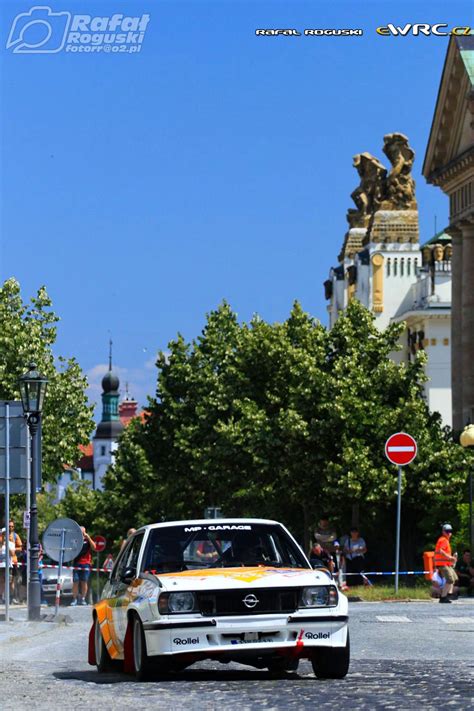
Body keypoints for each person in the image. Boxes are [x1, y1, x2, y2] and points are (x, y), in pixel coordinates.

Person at [70, 526, 96, 606]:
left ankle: (83, 599)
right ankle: (74, 599)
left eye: (83, 532)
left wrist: (88, 537)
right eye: (80, 532)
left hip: (86, 563)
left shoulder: (87, 540)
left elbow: (94, 547)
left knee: (84, 582)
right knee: (75, 581)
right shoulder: (75, 540)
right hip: (76, 563)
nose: (82, 534)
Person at [434, 523, 458, 603]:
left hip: (446, 564)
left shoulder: (445, 540)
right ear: (443, 532)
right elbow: (441, 551)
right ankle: (443, 597)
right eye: (447, 531)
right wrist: (450, 558)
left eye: (450, 531)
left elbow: (443, 552)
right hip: (442, 564)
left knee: (454, 578)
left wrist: (452, 559)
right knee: (450, 580)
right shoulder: (443, 540)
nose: (449, 533)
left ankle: (449, 595)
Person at [9, 520, 23, 604]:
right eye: (9, 526)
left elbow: (20, 548)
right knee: (2, 580)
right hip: (2, 561)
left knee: (12, 581)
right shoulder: (2, 535)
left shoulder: (15, 536)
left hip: (12, 561)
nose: (11, 527)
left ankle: (12, 597)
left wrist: (13, 549)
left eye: (12, 526)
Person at [0, 530, 15, 603]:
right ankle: (1, 597)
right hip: (1, 566)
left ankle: (11, 597)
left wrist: (6, 545)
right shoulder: (0, 544)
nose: (4, 536)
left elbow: (12, 554)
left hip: (8, 565)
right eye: (3, 535)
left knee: (10, 582)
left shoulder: (11, 544)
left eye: (5, 535)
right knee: (1, 582)